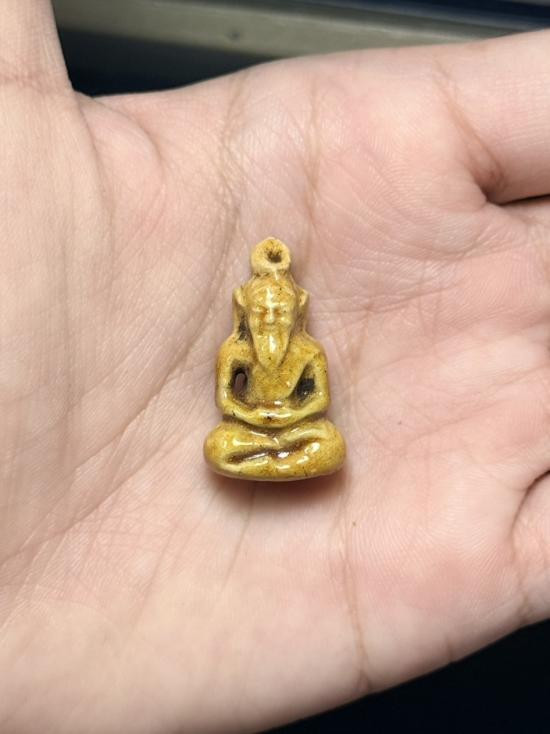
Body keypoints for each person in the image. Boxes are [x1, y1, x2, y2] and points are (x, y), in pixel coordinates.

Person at [1, 2, 550, 731]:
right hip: (256, 435)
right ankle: (271, 459)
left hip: (290, 433)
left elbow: (314, 405)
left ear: (292, 310)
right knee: (219, 445)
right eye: (259, 314)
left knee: (328, 444)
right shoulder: (234, 350)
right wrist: (257, 415)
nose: (267, 323)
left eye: (276, 314)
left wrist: (283, 416)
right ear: (246, 309)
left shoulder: (308, 351)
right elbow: (229, 407)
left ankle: (277, 459)